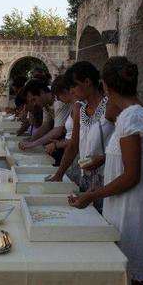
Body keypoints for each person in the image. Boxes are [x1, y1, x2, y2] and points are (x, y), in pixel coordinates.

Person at [68, 56, 143, 285]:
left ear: (106, 87)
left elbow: (131, 175)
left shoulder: (131, 117)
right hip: (124, 208)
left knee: (129, 274)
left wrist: (91, 195)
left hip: (132, 211)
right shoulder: (135, 114)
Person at [48, 62, 115, 212]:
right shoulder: (80, 109)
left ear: (87, 82)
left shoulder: (111, 106)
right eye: (70, 87)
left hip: (108, 177)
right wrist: (59, 174)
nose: (72, 91)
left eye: (74, 86)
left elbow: (124, 146)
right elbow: (73, 145)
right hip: (86, 178)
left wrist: (104, 158)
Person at [43, 75, 82, 184]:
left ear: (65, 91)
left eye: (58, 96)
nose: (58, 99)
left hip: (76, 156)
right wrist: (61, 142)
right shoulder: (74, 106)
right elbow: (72, 136)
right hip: (70, 155)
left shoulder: (78, 107)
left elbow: (77, 141)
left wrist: (57, 145)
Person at [18, 79, 72, 152]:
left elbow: (58, 131)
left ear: (41, 92)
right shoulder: (45, 102)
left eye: (34, 99)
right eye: (31, 101)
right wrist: (30, 140)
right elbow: (45, 126)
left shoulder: (59, 100)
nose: (34, 104)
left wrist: (33, 143)